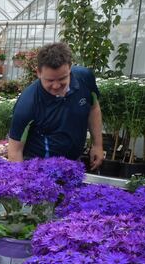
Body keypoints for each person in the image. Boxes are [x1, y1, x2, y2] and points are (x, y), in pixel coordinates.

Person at [7, 42, 103, 170]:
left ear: (70, 67)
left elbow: (93, 108)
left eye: (62, 79)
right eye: (50, 80)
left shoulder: (85, 78)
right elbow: (15, 151)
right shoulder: (28, 103)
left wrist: (97, 145)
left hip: (74, 165)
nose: (56, 86)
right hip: (39, 170)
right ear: (38, 73)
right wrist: (21, 183)